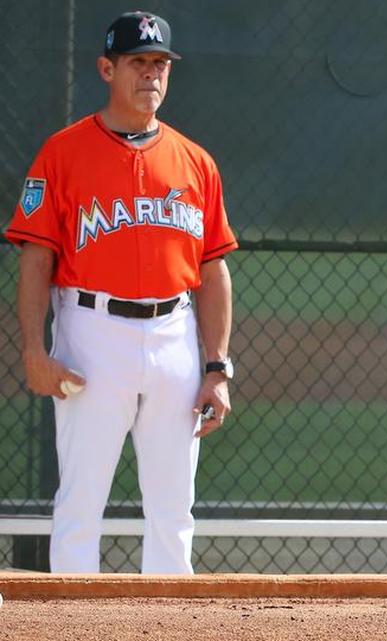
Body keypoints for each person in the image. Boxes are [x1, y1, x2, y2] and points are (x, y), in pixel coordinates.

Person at [5, 11, 238, 574]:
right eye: (138, 62)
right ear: (107, 69)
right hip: (91, 330)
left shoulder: (195, 161)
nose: (151, 75)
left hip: (173, 335)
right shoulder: (61, 154)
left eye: (160, 64)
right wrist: (34, 352)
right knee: (80, 505)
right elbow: (36, 260)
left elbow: (213, 271)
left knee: (173, 511)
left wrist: (216, 368)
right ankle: (69, 630)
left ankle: (169, 629)